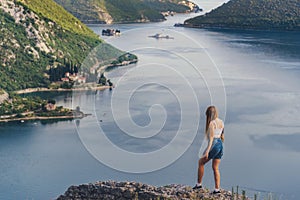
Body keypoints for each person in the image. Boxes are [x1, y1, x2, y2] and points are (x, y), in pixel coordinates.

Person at [193, 106, 225, 194]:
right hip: (220, 144)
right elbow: (222, 134)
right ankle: (217, 189)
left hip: (214, 144)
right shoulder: (221, 122)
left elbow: (211, 139)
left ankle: (198, 184)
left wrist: (207, 151)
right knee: (215, 168)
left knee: (201, 162)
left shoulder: (212, 123)